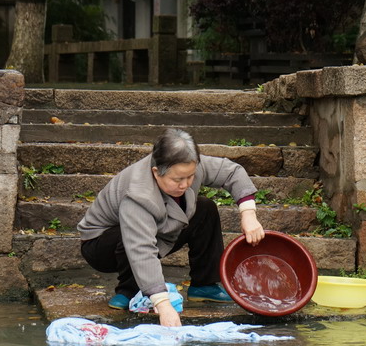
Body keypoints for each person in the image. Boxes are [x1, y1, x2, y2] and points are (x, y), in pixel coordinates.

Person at [78, 128, 266, 327]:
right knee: (132, 234)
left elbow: (233, 172)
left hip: (158, 226)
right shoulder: (136, 194)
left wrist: (248, 214)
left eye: (190, 177)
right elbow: (140, 248)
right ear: (156, 172)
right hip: (101, 244)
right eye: (177, 180)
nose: (185, 184)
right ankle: (129, 290)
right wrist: (163, 304)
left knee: (205, 208)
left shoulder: (188, 166)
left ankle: (204, 285)